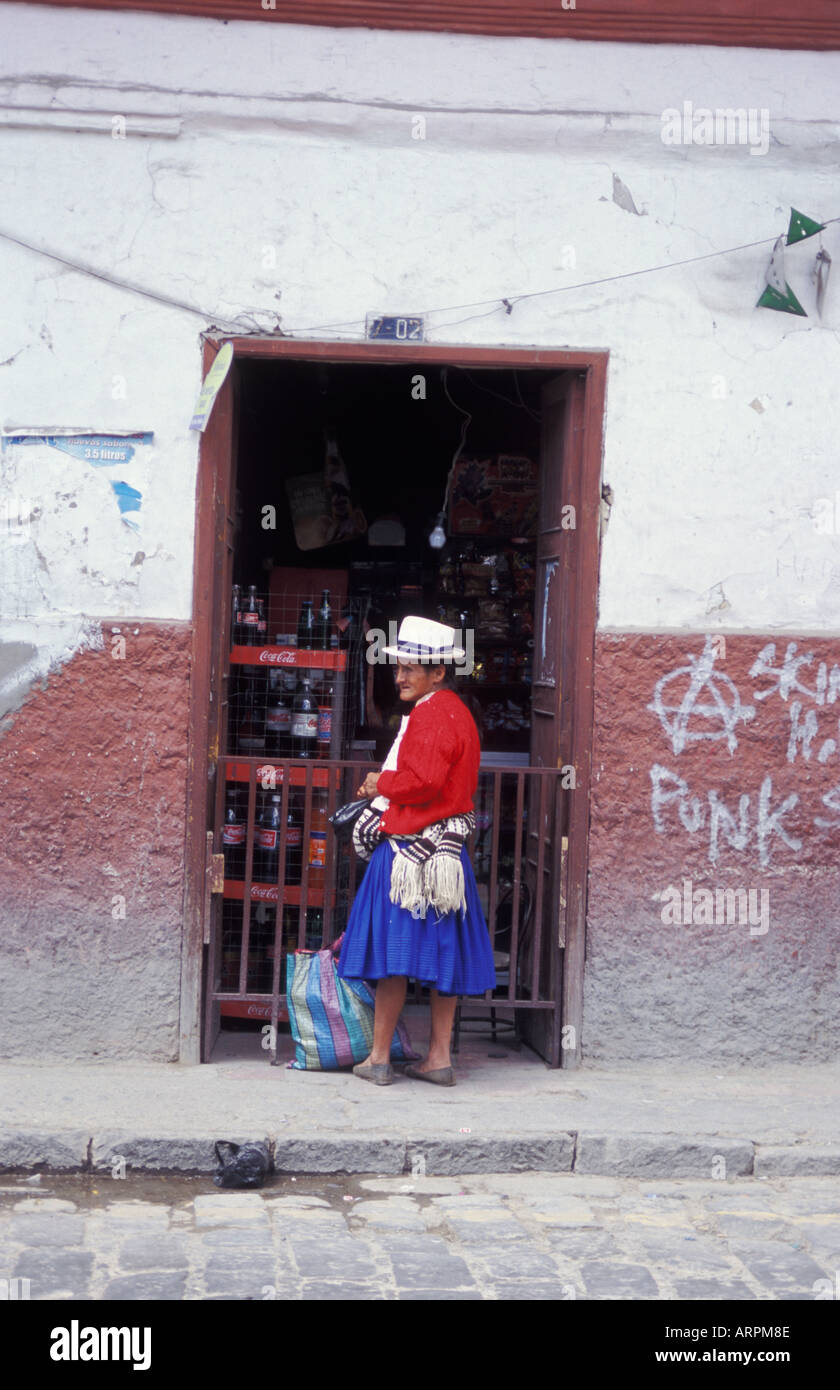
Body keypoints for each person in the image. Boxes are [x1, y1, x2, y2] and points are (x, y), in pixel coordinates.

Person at [336, 615, 496, 1086]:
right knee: (443, 957)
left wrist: (377, 783)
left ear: (439, 672)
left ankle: (380, 1057)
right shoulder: (456, 713)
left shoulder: (432, 712)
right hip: (447, 856)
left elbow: (422, 783)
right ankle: (438, 1058)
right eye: (399, 667)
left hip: (408, 854)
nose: (401, 677)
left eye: (411, 669)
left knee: (393, 958)